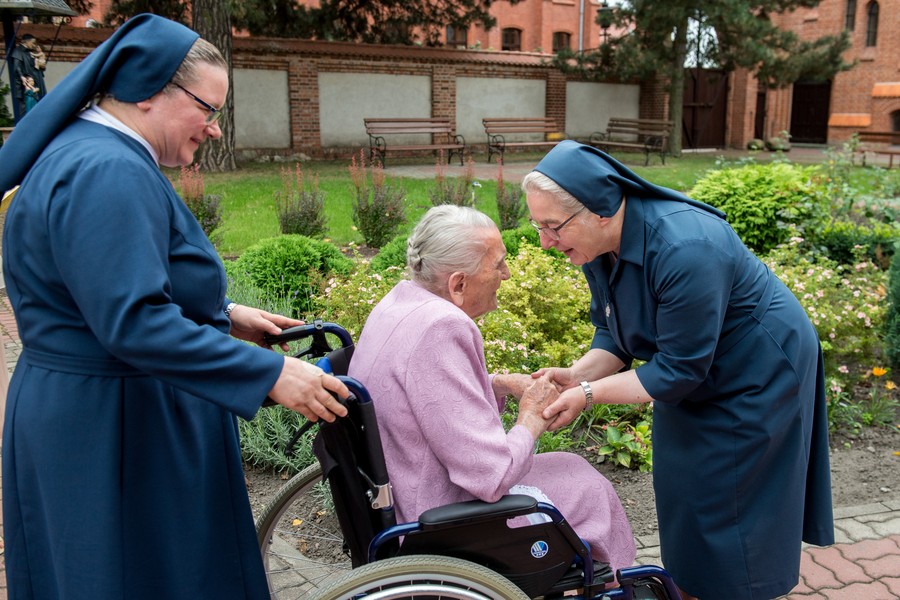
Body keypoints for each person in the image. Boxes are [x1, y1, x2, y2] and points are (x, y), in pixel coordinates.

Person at [0, 14, 349, 599]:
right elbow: (132, 321)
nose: (214, 129)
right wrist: (271, 373)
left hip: (102, 410)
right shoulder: (107, 170)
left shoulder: (93, 154)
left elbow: (98, 286)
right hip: (115, 424)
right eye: (207, 109)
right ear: (146, 92)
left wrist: (227, 315)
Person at [522, 140, 834, 600]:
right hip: (690, 365)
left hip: (757, 369)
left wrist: (588, 394)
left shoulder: (687, 248)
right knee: (688, 487)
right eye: (538, 225)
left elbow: (678, 372)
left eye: (552, 227)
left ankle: (744, 589)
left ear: (602, 211)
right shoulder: (594, 244)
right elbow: (614, 334)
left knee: (737, 504)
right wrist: (577, 375)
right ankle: (692, 587)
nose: (545, 241)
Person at [347, 204, 637, 573]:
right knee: (590, 490)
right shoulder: (443, 327)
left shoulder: (400, 303)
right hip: (437, 518)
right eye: (497, 264)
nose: (508, 273)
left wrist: (499, 383)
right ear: (459, 284)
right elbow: (491, 476)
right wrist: (530, 418)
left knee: (572, 466)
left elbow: (421, 394)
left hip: (402, 487)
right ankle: (612, 584)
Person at [11, 34, 46, 117]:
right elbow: (17, 67)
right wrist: (22, 77)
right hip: (27, 83)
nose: (34, 45)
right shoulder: (18, 51)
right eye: (33, 43)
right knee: (27, 104)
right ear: (27, 41)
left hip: (37, 81)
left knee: (39, 103)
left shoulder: (30, 52)